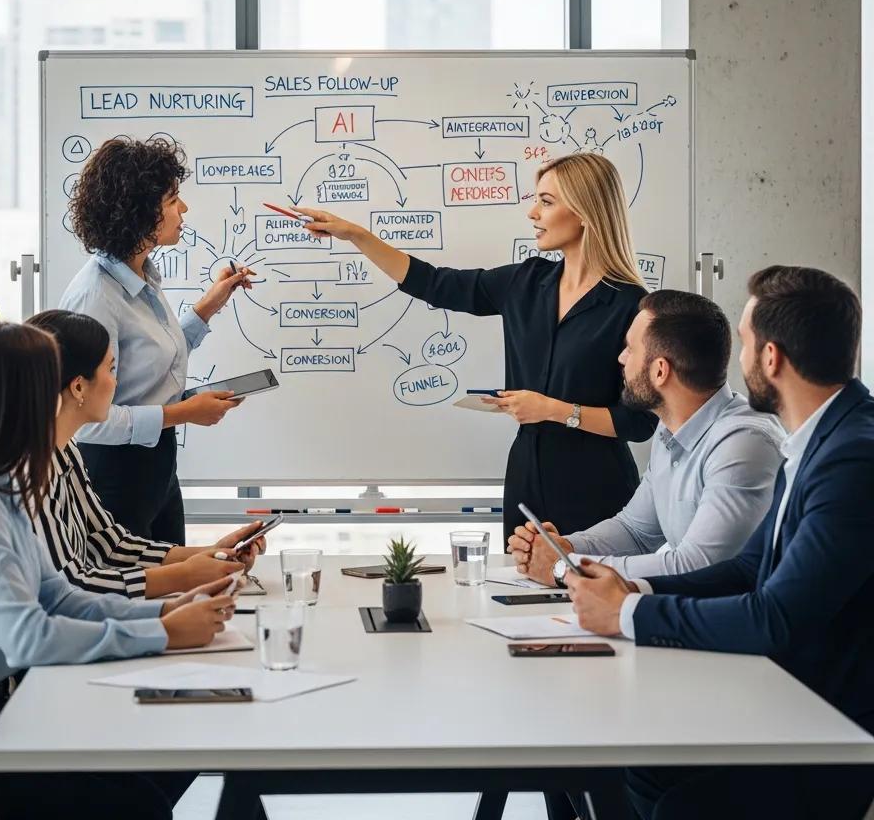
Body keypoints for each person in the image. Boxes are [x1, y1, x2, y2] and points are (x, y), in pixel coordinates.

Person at [0, 322, 237, 820]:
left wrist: (163, 614)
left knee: (154, 767)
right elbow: (27, 638)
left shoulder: (2, 482)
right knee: (136, 800)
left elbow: (57, 597)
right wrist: (161, 636)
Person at [564, 266, 874, 820]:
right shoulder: (818, 440)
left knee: (680, 801)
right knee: (630, 764)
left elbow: (775, 617)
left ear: (772, 359)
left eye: (748, 344)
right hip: (785, 697)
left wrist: (630, 613)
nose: (739, 359)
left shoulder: (852, 457)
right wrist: (632, 586)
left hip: (829, 728)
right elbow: (747, 568)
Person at [302, 152, 657, 541]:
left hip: (596, 489)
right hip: (527, 480)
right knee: (523, 590)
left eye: (546, 201)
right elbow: (434, 283)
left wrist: (554, 410)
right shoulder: (526, 283)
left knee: (591, 597)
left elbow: (639, 423)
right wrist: (356, 235)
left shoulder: (630, 305)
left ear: (586, 212)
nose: (532, 213)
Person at [508, 289, 783, 584]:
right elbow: (636, 531)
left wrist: (564, 569)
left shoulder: (743, 443)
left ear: (660, 370)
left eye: (630, 349)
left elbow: (698, 566)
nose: (621, 358)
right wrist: (565, 548)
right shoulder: (671, 428)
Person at [61, 135, 253, 544]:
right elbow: (87, 423)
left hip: (157, 467)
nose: (183, 209)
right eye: (172, 200)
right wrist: (183, 414)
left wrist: (209, 305)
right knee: (135, 595)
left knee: (170, 590)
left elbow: (156, 354)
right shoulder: (96, 296)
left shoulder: (141, 274)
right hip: (114, 476)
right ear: (139, 212)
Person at [28, 308, 269, 597]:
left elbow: (111, 547)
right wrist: (186, 577)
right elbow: (71, 584)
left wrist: (215, 552)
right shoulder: (29, 470)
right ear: (78, 387)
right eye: (111, 369)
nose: (116, 382)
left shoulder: (65, 450)